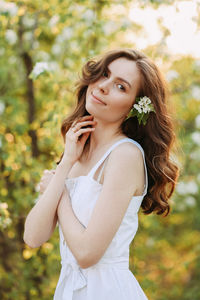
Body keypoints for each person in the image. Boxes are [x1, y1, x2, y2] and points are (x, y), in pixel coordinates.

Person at [23, 48, 179, 300]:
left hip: (107, 290)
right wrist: (66, 164)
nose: (103, 86)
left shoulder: (125, 155)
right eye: (104, 74)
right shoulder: (77, 151)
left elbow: (86, 254)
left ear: (134, 108)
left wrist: (60, 193)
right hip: (70, 290)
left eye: (121, 86)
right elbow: (32, 237)